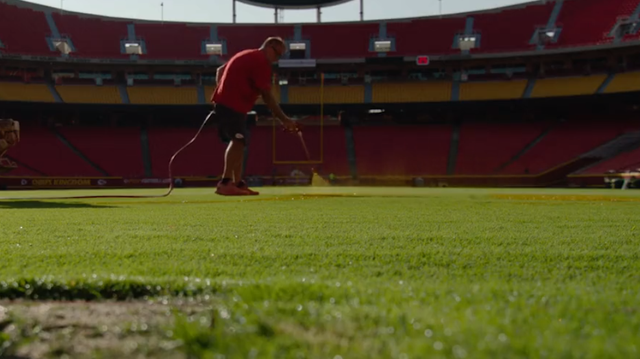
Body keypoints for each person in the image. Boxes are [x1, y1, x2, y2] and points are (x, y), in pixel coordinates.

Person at [211, 37, 298, 196]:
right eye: (278, 55)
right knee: (238, 140)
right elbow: (267, 96)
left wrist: (223, 91)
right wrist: (284, 119)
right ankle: (225, 183)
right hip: (232, 106)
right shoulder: (260, 62)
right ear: (270, 46)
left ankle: (237, 183)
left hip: (232, 105)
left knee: (240, 141)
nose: (277, 60)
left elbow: (220, 71)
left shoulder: (247, 54)